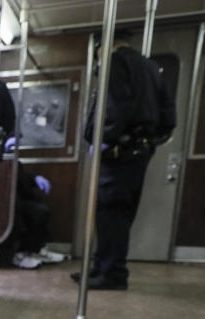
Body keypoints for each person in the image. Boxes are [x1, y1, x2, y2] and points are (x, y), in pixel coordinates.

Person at [75, 29, 176, 289]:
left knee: (110, 212)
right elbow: (168, 115)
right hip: (140, 151)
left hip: (119, 150)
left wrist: (102, 138)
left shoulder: (116, 62)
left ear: (101, 47)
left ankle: (112, 274)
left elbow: (114, 105)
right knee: (121, 213)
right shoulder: (152, 67)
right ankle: (103, 267)